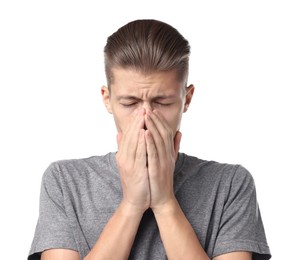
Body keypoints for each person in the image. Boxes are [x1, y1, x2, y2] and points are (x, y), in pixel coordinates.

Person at [28, 19, 271, 260]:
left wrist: (165, 203)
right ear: (107, 99)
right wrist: (131, 205)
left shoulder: (230, 185)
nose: (145, 117)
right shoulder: (64, 181)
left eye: (162, 102)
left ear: (186, 99)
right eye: (130, 103)